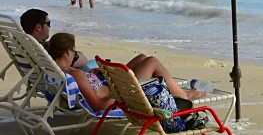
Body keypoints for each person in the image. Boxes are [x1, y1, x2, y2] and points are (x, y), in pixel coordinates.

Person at [46, 32, 206, 112]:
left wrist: (93, 77)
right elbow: (97, 105)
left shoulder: (61, 70)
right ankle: (184, 95)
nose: (75, 54)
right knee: (151, 61)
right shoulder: (76, 75)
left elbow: (90, 89)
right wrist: (119, 99)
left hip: (109, 87)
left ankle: (175, 90)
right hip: (119, 95)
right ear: (67, 52)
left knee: (142, 57)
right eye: (74, 51)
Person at [20, 8, 89, 69]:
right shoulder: (47, 50)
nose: (50, 27)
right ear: (38, 27)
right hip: (71, 82)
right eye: (48, 23)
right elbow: (84, 60)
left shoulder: (23, 45)